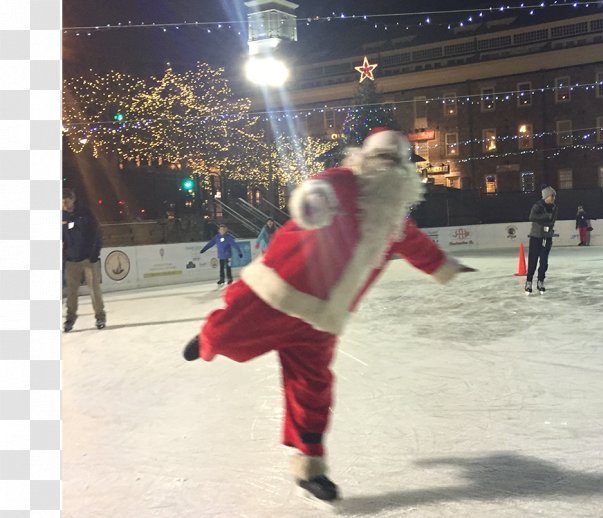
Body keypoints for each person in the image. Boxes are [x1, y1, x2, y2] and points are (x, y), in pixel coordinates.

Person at [181, 128, 475, 502]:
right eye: (381, 160)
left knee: (314, 391)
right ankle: (206, 338)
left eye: (395, 163)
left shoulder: (395, 223)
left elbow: (419, 248)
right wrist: (312, 201)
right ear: (365, 161)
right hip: (280, 293)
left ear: (405, 172)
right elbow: (316, 188)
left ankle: (310, 467)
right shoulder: (344, 182)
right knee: (227, 336)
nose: (388, 170)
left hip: (322, 322)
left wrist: (444, 266)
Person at [62, 187, 106, 331]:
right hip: (71, 260)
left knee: (94, 289)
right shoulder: (62, 216)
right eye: (62, 203)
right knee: (71, 292)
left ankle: (100, 316)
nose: (64, 205)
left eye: (66, 202)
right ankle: (70, 319)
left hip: (88, 259)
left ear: (73, 199)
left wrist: (94, 254)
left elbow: (97, 233)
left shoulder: (85, 213)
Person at [525, 186, 558, 294]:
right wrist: (545, 217)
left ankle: (540, 281)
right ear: (546, 196)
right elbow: (531, 217)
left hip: (547, 237)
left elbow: (552, 221)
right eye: (551, 196)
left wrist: (547, 223)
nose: (553, 198)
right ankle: (529, 282)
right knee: (532, 260)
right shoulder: (537, 206)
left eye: (554, 196)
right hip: (536, 237)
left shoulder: (554, 207)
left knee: (544, 261)